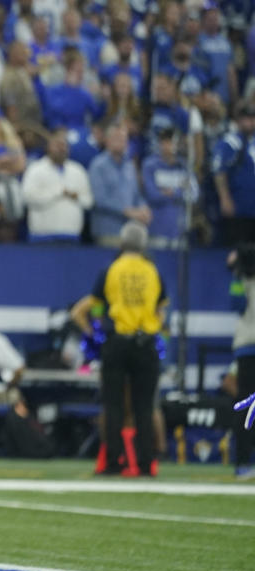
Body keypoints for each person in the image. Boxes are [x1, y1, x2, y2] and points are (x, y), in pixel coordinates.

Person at [71, 222, 167, 476]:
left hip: (117, 341)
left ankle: (114, 462)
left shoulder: (111, 270)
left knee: (113, 405)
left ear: (122, 244)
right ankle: (146, 464)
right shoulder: (152, 271)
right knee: (144, 406)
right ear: (143, 245)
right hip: (146, 342)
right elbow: (161, 310)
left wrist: (96, 331)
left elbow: (96, 306)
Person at [22, 129, 92, 243]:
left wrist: (75, 196)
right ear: (48, 147)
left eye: (64, 145)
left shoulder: (78, 171)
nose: (61, 149)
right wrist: (58, 192)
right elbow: (28, 197)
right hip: (42, 236)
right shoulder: (35, 169)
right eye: (57, 145)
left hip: (71, 235)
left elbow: (88, 202)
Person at [89, 123, 151, 245]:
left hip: (130, 234)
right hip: (107, 231)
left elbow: (136, 194)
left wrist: (143, 208)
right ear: (107, 140)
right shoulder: (97, 165)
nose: (120, 142)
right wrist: (127, 211)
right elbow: (100, 199)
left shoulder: (130, 166)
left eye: (123, 139)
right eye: (116, 138)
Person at [141, 128, 198, 246]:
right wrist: (180, 190)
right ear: (161, 143)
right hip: (156, 229)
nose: (170, 146)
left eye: (173, 142)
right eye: (167, 142)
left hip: (180, 230)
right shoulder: (150, 165)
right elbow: (152, 195)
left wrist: (172, 192)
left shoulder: (184, 167)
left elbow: (194, 195)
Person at [228, 248, 255, 479]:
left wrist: (236, 272)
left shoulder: (242, 278)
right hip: (248, 347)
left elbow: (235, 305)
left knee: (246, 403)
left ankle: (244, 462)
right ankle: (244, 461)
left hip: (247, 346)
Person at [212, 102, 255, 243]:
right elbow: (219, 170)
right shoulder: (231, 142)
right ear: (238, 120)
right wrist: (225, 198)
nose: (250, 122)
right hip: (239, 209)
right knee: (238, 253)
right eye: (246, 118)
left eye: (252, 118)